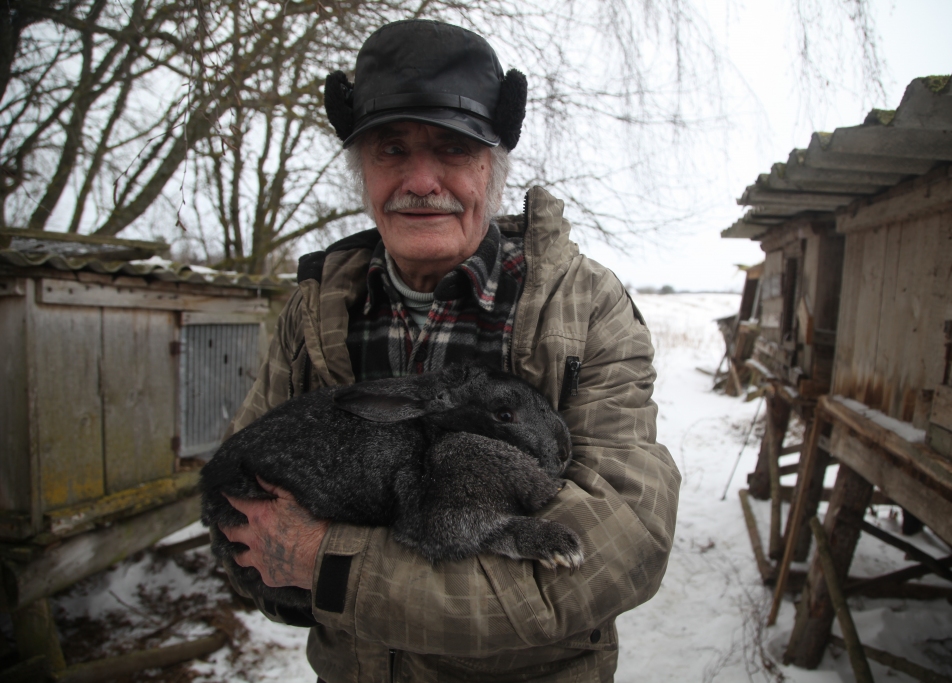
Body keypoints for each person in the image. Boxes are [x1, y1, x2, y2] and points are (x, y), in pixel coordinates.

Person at [219, 19, 681, 683]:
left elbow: (612, 552)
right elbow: (244, 527)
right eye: (391, 149)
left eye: (453, 148)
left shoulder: (583, 309)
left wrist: (329, 565)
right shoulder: (315, 314)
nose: (422, 180)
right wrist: (276, 570)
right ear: (363, 171)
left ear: (494, 165)